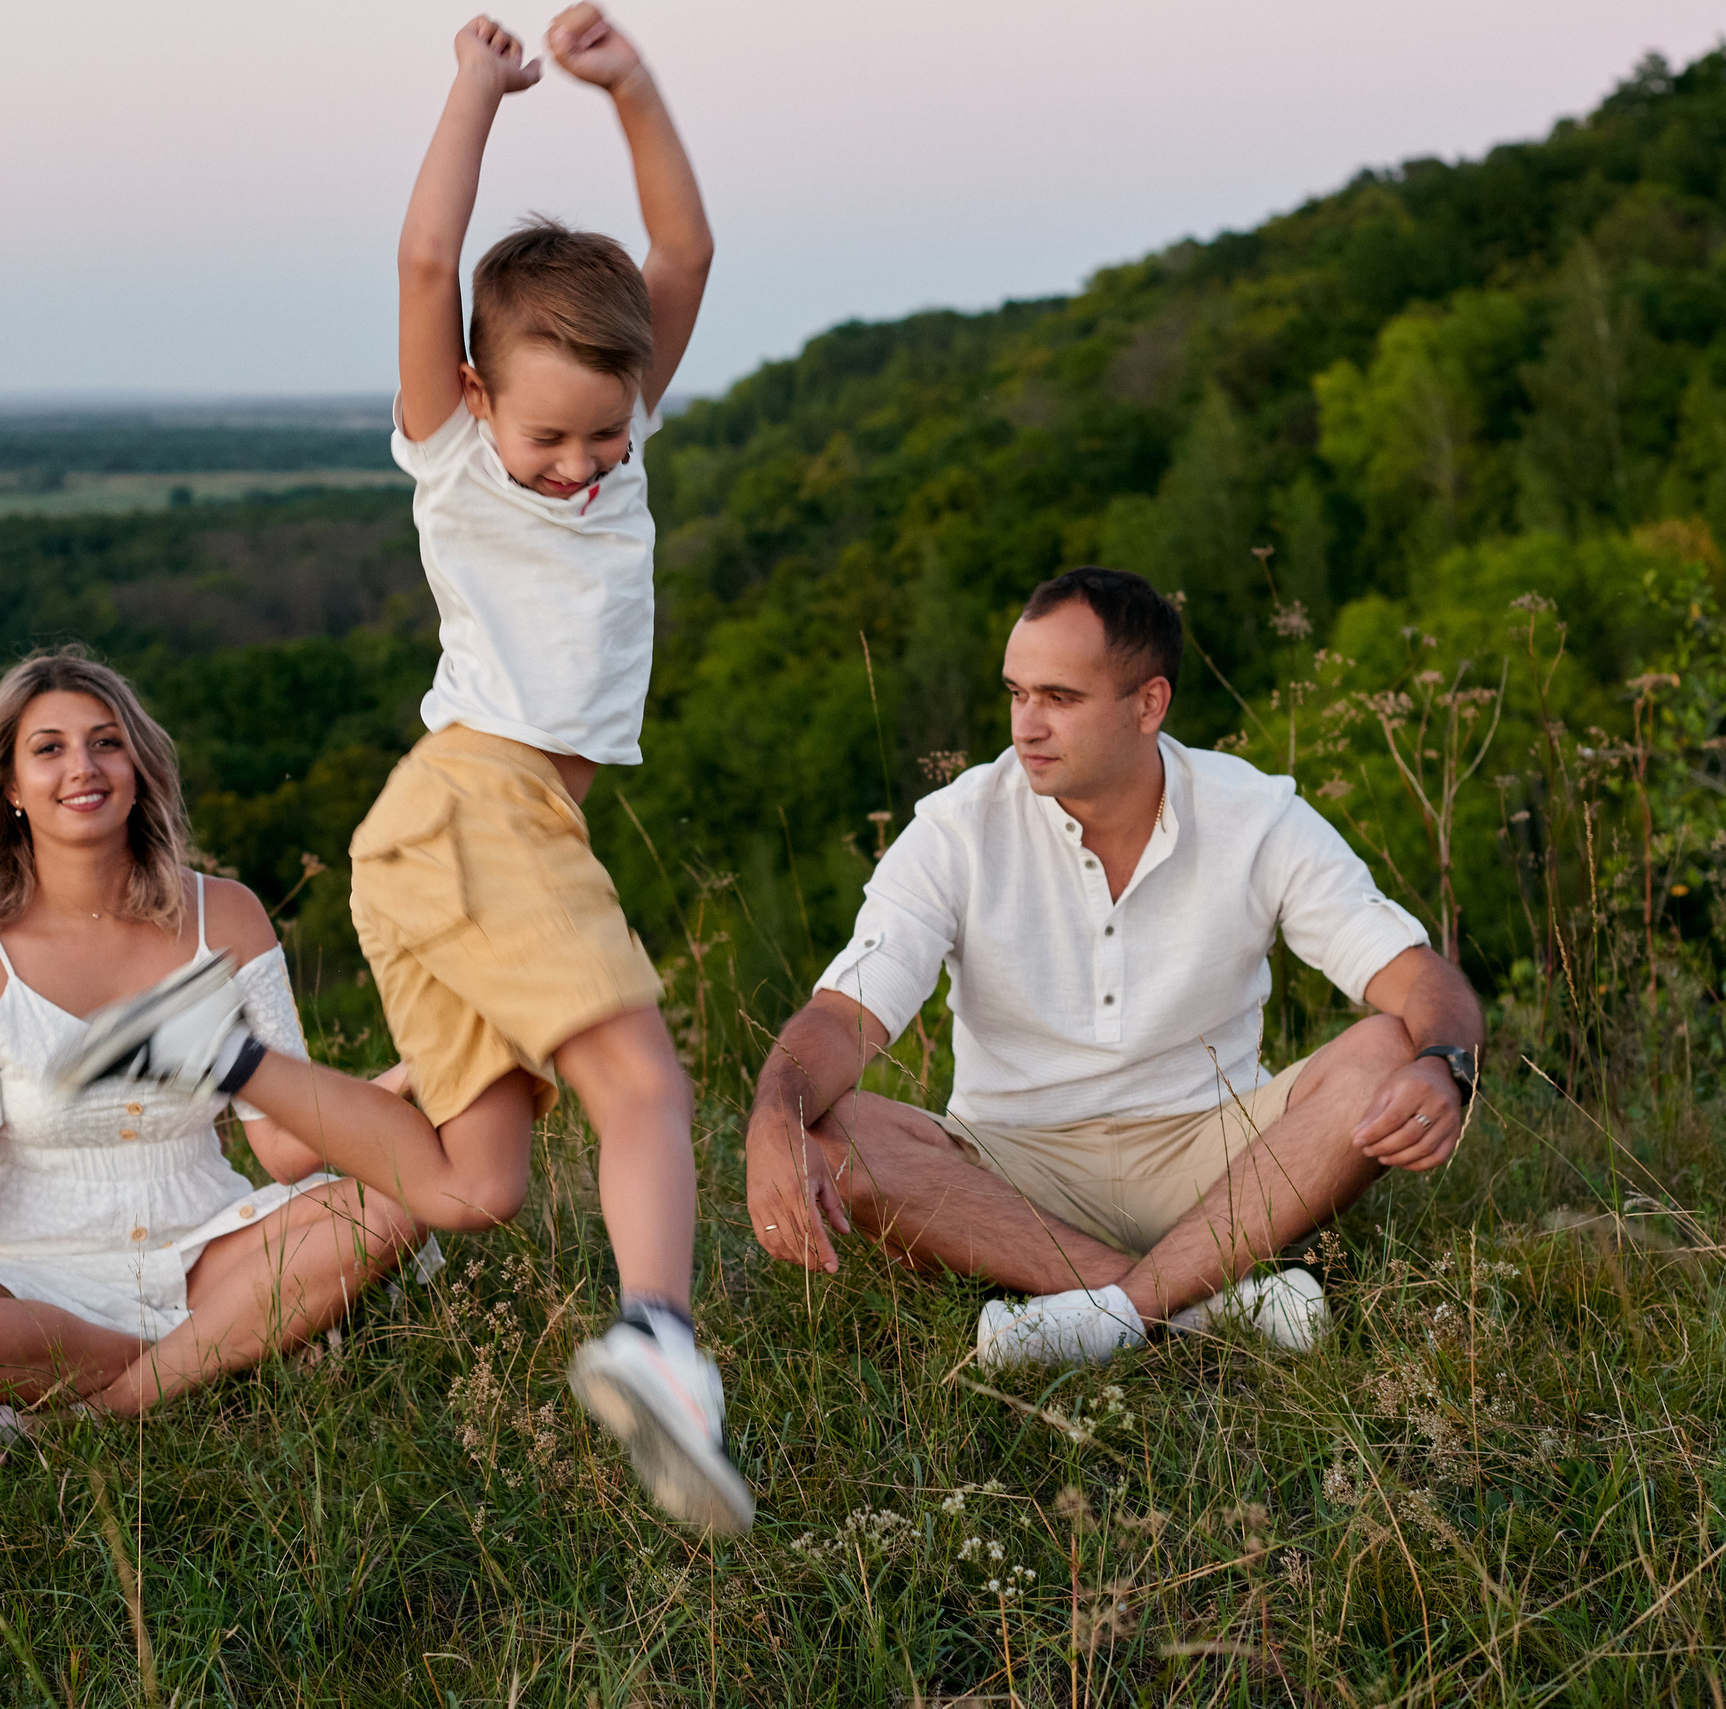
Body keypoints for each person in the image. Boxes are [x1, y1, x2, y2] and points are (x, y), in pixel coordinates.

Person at [88, 6, 745, 1534]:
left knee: (470, 1187)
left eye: (603, 436)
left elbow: (688, 259)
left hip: (464, 837)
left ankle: (220, 1058)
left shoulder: (619, 434)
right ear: (474, 394)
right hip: (476, 805)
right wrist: (478, 94)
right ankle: (662, 1338)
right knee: (643, 1084)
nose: (583, 466)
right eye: (553, 439)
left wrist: (632, 87)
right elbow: (418, 264)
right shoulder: (453, 446)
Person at [744, 567, 1486, 1369]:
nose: (1027, 725)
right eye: (1016, 693)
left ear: (1149, 704)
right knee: (833, 1130)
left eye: (1060, 698)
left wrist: (1447, 1066)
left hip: (1218, 1157)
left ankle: (1102, 1314)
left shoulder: (1255, 814)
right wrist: (772, 1115)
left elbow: (1418, 980)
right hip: (1014, 1169)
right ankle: (1197, 1307)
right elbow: (844, 1018)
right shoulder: (957, 828)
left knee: (1385, 1050)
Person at [0, 651, 430, 1460]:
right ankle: (233, 1353)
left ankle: (98, 1413)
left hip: (205, 1248)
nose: (83, 767)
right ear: (10, 788)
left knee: (395, 1204)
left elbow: (288, 1147)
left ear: (139, 768)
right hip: (27, 1283)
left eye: (106, 742)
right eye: (49, 748)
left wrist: (422, 1068)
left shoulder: (226, 918)